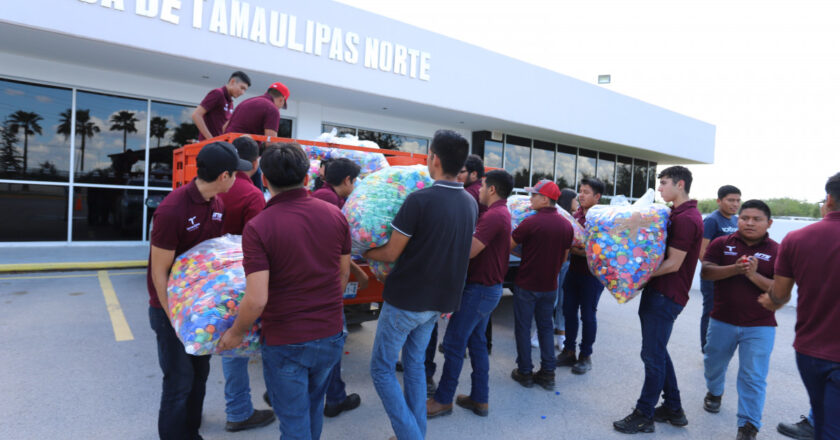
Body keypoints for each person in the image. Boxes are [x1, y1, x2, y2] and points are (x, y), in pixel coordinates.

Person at [218, 143, 350, 440]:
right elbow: (342, 274)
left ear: (263, 179)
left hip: (287, 340)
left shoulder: (259, 226)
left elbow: (257, 298)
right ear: (307, 178)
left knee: (293, 422)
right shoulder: (335, 215)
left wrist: (236, 333)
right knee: (314, 408)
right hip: (330, 333)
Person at [365, 130, 477, 440]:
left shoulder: (420, 200)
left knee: (381, 369)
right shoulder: (470, 203)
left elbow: (390, 253)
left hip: (407, 300)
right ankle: (415, 433)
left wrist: (362, 251)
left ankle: (410, 435)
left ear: (435, 159)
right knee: (414, 365)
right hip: (438, 303)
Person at [147, 141, 252, 440]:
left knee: (200, 375)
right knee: (178, 380)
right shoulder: (172, 210)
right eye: (235, 173)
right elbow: (159, 270)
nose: (238, 178)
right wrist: (175, 319)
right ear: (223, 176)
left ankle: (191, 432)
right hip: (169, 309)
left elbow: (211, 257)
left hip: (200, 307)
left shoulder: (217, 203)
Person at [613, 166, 703, 434]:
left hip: (666, 294)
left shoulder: (687, 219)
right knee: (658, 351)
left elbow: (674, 263)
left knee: (652, 355)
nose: (660, 188)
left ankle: (644, 415)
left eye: (664, 183)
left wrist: (636, 278)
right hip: (660, 292)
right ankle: (674, 409)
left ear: (680, 184)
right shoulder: (674, 213)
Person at [758, 172, 840, 440]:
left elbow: (779, 295)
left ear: (828, 199)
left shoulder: (796, 239)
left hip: (811, 352)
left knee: (825, 424)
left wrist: (770, 300)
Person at [426, 169, 513, 419]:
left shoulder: (495, 215)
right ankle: (479, 399)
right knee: (476, 344)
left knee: (453, 343)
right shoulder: (499, 213)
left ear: (493, 189)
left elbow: (470, 250)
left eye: (484, 186)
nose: (480, 191)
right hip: (487, 290)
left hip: (480, 291)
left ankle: (443, 400)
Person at [700, 200, 778, 440]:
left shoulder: (779, 250)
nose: (749, 223)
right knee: (713, 363)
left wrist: (753, 275)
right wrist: (734, 269)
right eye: (745, 218)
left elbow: (779, 290)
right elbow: (706, 272)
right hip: (722, 320)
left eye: (757, 219)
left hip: (760, 325)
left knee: (753, 376)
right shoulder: (722, 243)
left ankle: (748, 426)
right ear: (738, 220)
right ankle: (715, 392)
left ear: (769, 223)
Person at [215, 136, 275, 432]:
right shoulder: (251, 195)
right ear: (254, 163)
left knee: (220, 340)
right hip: (240, 276)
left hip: (207, 274)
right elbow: (258, 242)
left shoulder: (211, 184)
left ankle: (192, 411)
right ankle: (239, 411)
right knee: (238, 345)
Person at [311, 157, 368, 418]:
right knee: (333, 340)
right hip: (325, 285)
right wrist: (356, 276)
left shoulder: (319, 196)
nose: (355, 186)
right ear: (347, 181)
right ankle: (334, 398)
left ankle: (330, 394)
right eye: (354, 181)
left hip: (311, 281)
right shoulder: (331, 203)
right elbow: (338, 254)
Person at [509, 179, 574, 391]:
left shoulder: (530, 222)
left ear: (545, 199)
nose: (530, 199)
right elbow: (564, 257)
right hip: (550, 286)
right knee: (546, 327)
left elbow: (508, 246)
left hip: (527, 284)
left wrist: (524, 253)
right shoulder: (566, 225)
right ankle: (548, 373)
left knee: (523, 327)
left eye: (534, 195)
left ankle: (525, 371)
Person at [559, 178, 606, 375]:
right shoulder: (575, 216)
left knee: (587, 315)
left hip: (592, 277)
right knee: (568, 311)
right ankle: (569, 351)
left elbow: (601, 251)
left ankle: (585, 356)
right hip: (573, 272)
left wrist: (577, 249)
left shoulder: (604, 219)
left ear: (597, 196)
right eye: (580, 191)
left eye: (586, 192)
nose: (581, 195)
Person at [531, 188, 577, 349]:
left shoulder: (573, 218)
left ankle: (561, 334)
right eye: (575, 199)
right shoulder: (561, 218)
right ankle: (540, 332)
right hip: (557, 262)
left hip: (567, 264)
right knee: (551, 300)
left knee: (563, 300)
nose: (577, 202)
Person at [699, 185, 741, 353]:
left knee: (728, 311)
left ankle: (722, 346)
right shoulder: (712, 220)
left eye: (738, 200)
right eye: (730, 200)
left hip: (731, 275)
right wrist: (715, 271)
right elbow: (701, 250)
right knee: (711, 311)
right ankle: (707, 348)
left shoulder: (736, 220)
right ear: (719, 201)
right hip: (713, 277)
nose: (735, 204)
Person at [191, 71, 251, 141]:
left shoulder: (230, 102)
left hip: (219, 144)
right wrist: (210, 140)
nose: (242, 93)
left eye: (245, 90)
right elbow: (196, 115)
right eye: (242, 88)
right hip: (208, 146)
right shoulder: (218, 93)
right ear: (232, 82)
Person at [224, 82, 289, 138]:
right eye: (282, 106)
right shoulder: (272, 109)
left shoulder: (246, 101)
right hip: (240, 149)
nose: (279, 108)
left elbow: (225, 127)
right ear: (281, 99)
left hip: (224, 144)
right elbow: (271, 143)